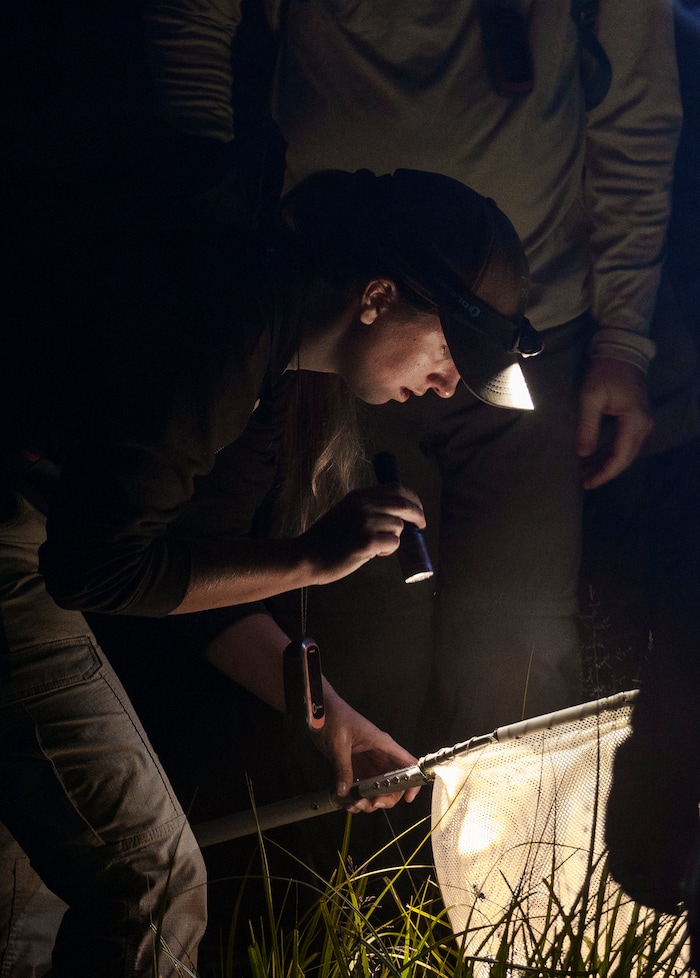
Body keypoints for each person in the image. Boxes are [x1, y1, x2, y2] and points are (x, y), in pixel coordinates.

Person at [0, 165, 536, 976]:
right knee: (150, 878)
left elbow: (194, 585)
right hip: (18, 532)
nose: (448, 384)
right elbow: (100, 574)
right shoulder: (228, 323)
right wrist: (311, 559)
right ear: (378, 295)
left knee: (32, 887)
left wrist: (334, 721)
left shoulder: (283, 378)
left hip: (44, 535)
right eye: (451, 352)